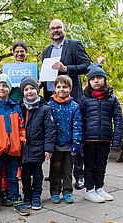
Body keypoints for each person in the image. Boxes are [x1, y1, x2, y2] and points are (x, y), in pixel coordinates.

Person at [41, 19, 91, 188]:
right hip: (52, 100)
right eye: (52, 28)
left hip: (71, 99)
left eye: (58, 28)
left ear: (64, 29)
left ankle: (79, 175)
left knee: (75, 136)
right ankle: (58, 173)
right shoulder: (46, 51)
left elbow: (87, 66)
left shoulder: (74, 45)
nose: (55, 31)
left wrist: (66, 69)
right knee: (55, 136)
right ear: (49, 31)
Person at [0, 74, 29, 217]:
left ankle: (16, 199)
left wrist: (21, 140)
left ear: (9, 88)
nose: (1, 88)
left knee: (13, 176)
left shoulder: (15, 106)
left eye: (4, 86)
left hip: (13, 149)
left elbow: (21, 127)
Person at [79, 63, 123, 203]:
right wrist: (79, 139)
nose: (96, 81)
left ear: (104, 79)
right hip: (89, 139)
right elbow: (78, 120)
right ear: (89, 81)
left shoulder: (112, 99)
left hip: (105, 138)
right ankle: (89, 190)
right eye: (93, 79)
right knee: (89, 165)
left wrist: (117, 140)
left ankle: (99, 187)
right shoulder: (85, 99)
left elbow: (118, 120)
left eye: (99, 78)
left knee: (102, 164)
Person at [19, 77, 55, 210]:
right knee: (25, 174)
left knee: (38, 173)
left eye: (32, 88)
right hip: (23, 148)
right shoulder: (19, 107)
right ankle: (27, 195)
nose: (29, 91)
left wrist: (48, 148)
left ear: (37, 89)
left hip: (38, 147)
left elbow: (49, 130)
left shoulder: (44, 109)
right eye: (26, 89)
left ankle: (36, 196)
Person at [48, 75, 83, 204]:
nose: (61, 89)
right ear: (55, 89)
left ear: (70, 88)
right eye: (59, 87)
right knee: (55, 169)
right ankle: (55, 191)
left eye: (65, 86)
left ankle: (67, 191)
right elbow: (47, 126)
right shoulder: (49, 106)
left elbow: (78, 125)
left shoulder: (74, 106)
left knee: (68, 170)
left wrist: (76, 142)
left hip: (69, 145)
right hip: (55, 145)